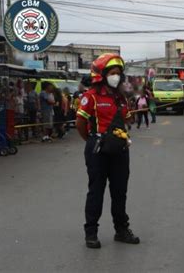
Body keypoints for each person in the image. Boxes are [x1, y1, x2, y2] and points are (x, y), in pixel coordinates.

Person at [76, 53, 139, 249]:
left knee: (120, 192)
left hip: (120, 150)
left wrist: (127, 121)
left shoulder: (121, 98)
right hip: (97, 151)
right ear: (102, 75)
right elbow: (80, 123)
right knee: (96, 192)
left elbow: (128, 119)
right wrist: (93, 141)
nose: (116, 77)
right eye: (112, 73)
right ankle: (91, 233)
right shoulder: (90, 97)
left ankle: (121, 230)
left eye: (119, 73)